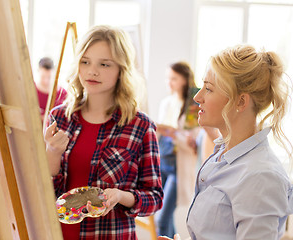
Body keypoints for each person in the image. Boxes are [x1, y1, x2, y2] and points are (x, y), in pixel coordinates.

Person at [159, 44, 293, 240]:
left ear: (240, 102)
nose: (197, 97)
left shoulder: (261, 177)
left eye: (209, 89)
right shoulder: (221, 155)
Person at [43, 25, 163, 239]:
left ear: (121, 70)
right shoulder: (59, 118)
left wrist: (121, 196)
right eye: (85, 61)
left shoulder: (140, 126)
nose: (92, 71)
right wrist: (52, 152)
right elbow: (43, 193)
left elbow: (154, 199)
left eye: (104, 64)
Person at [155, 62, 197, 238]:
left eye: (174, 78)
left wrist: (173, 133)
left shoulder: (193, 105)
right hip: (163, 162)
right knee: (165, 215)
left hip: (178, 166)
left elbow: (193, 140)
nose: (169, 82)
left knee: (162, 219)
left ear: (185, 80)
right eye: (168, 78)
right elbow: (159, 134)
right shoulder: (167, 102)